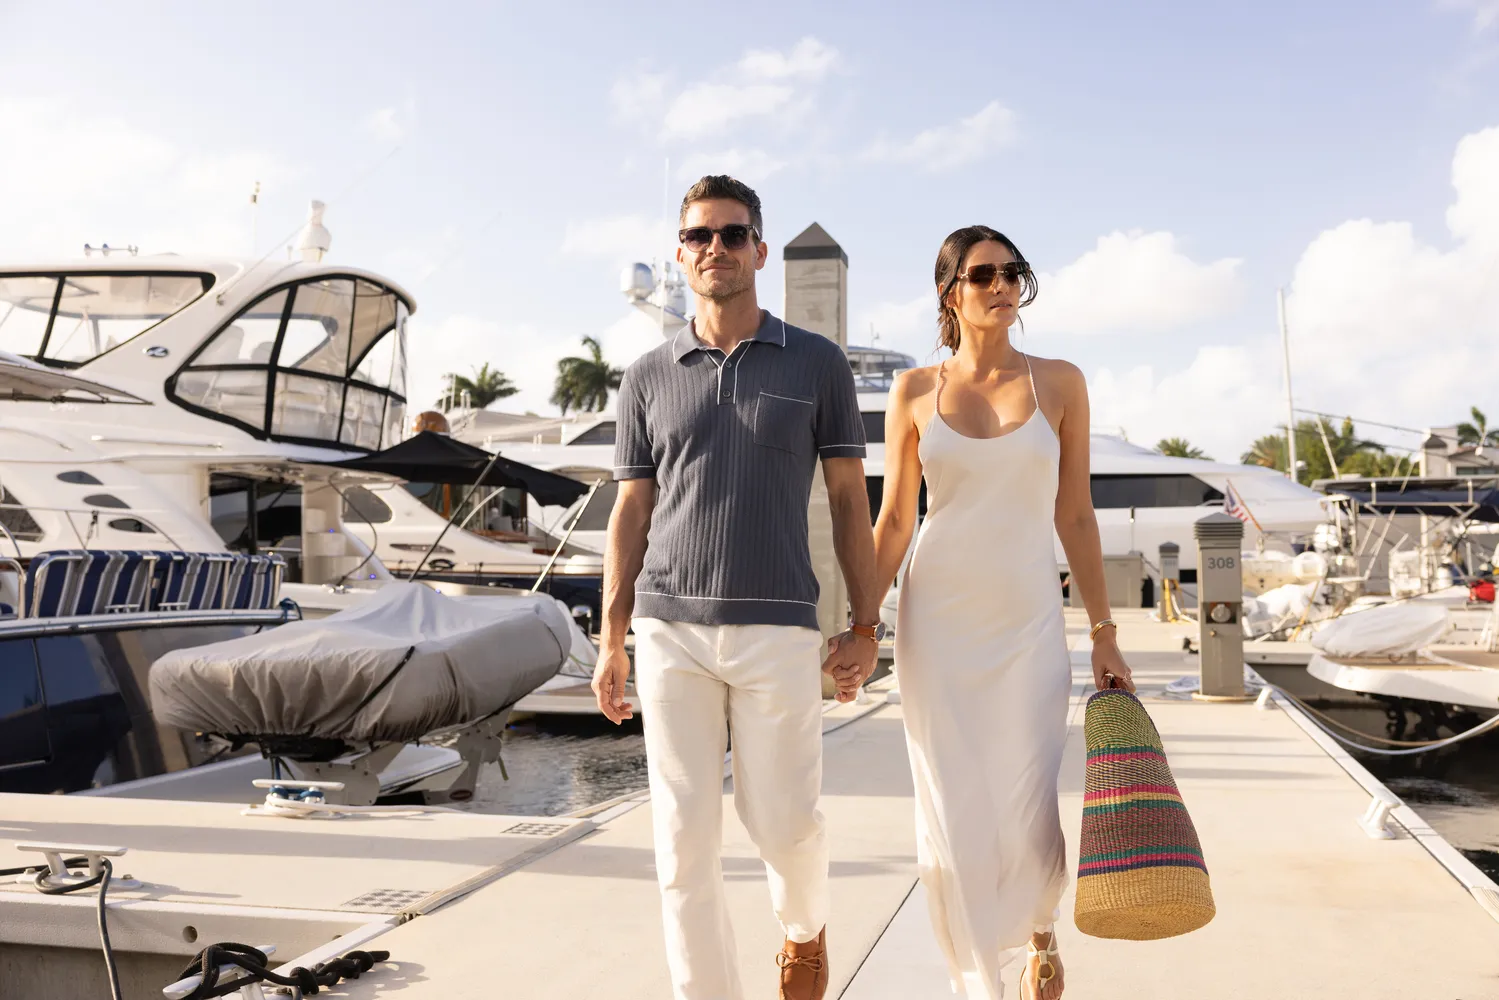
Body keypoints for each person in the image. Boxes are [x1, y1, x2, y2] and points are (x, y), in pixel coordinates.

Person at [826, 225, 1135, 1000]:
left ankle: (1037, 924)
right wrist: (864, 627)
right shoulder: (913, 392)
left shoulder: (1059, 383)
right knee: (952, 802)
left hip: (1029, 615)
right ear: (949, 292)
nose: (1001, 286)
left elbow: (1076, 518)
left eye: (1012, 272)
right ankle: (977, 983)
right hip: (936, 619)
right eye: (983, 274)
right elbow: (894, 521)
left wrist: (1103, 631)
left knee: (1027, 796)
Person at [593, 174, 881, 1000]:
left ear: (759, 248)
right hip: (668, 629)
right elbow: (629, 512)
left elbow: (849, 500)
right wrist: (611, 639)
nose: (714, 248)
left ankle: (802, 929)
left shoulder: (818, 363)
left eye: (731, 233)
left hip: (780, 628)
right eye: (698, 236)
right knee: (683, 841)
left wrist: (865, 625)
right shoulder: (647, 374)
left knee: (783, 826)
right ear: (680, 256)